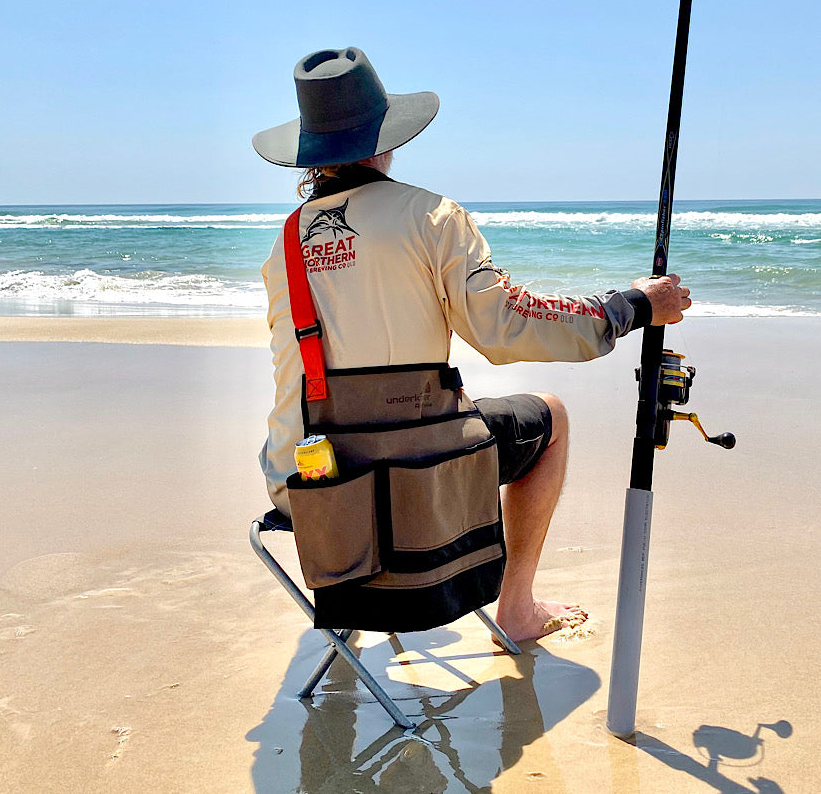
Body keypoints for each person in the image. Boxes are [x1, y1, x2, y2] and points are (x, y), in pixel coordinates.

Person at [253, 48, 691, 642]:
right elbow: (504, 326)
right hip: (411, 481)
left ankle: (354, 602)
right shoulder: (431, 216)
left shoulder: (284, 243)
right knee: (552, 417)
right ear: (384, 139)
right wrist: (629, 307)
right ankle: (517, 609)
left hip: (306, 486)